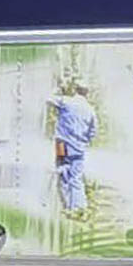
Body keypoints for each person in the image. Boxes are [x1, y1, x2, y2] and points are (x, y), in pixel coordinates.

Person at [50, 84, 98, 216]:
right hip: (79, 148)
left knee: (63, 173)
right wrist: (84, 141)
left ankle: (68, 206)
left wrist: (55, 89)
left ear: (76, 90)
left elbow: (49, 99)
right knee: (76, 177)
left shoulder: (66, 101)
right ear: (87, 93)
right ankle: (78, 207)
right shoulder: (90, 110)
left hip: (62, 145)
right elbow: (93, 131)